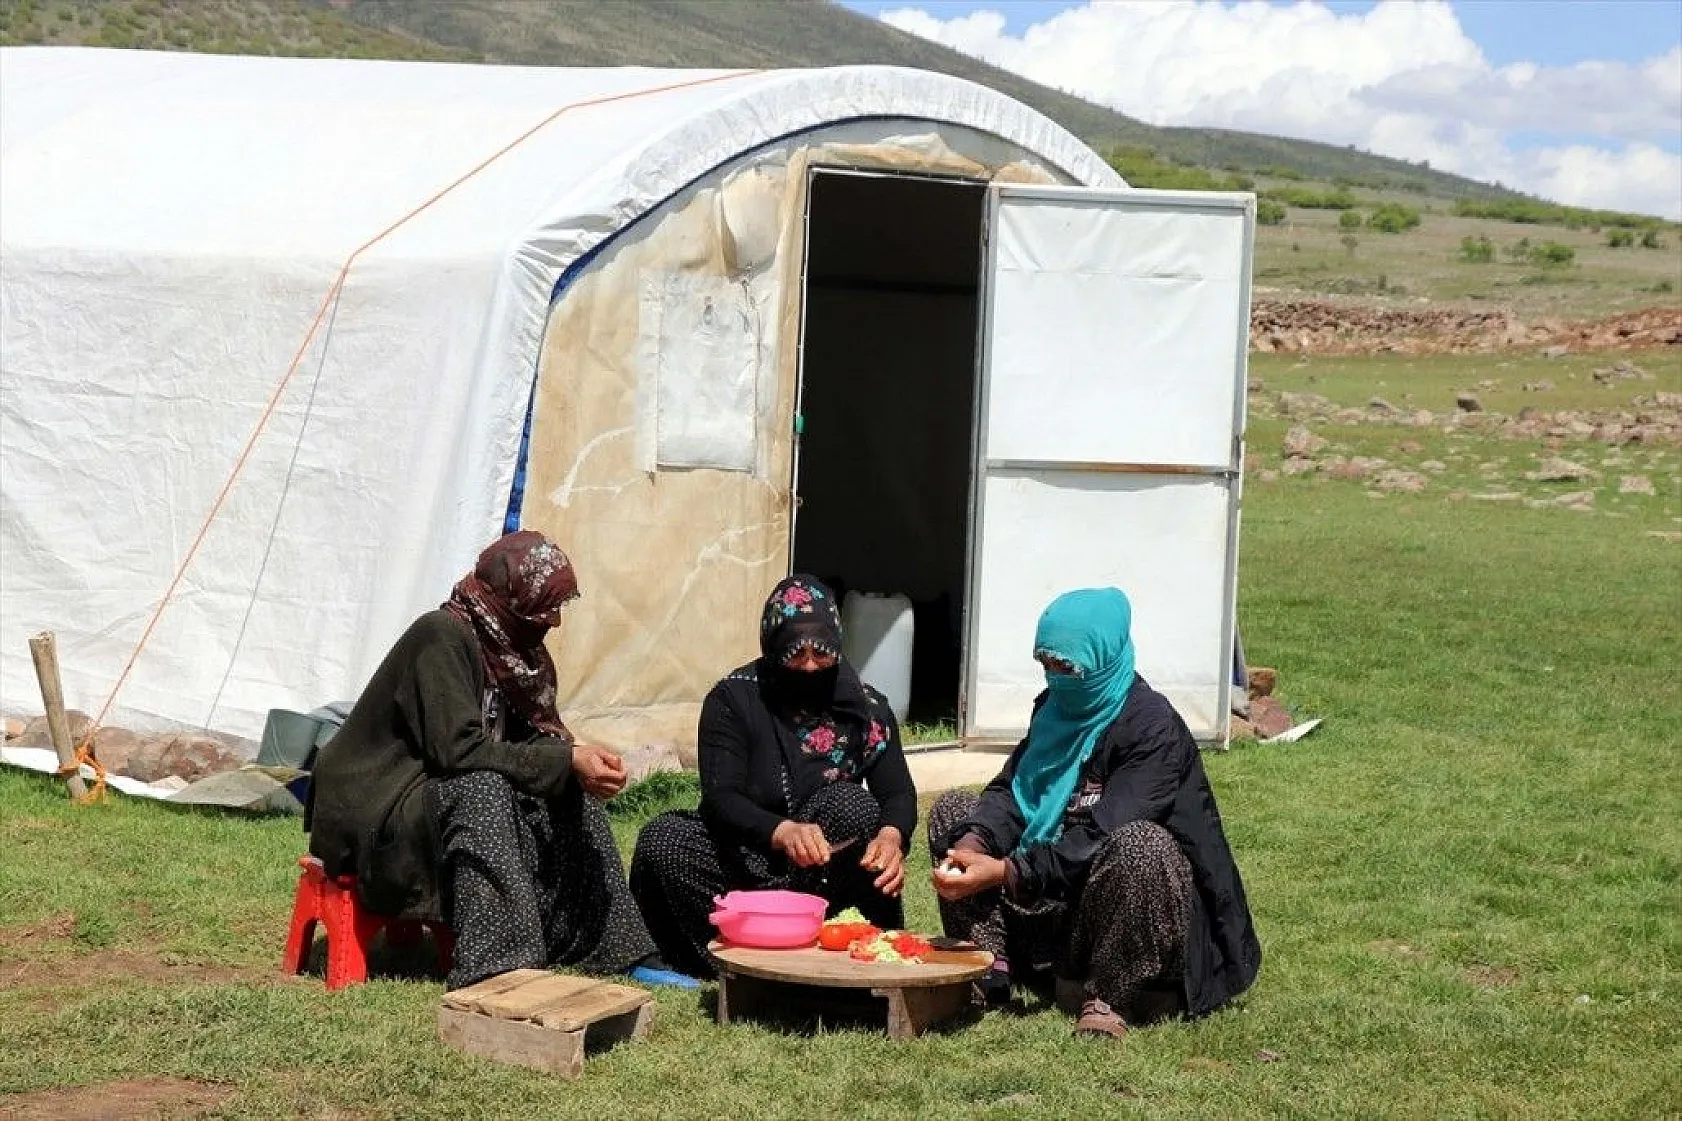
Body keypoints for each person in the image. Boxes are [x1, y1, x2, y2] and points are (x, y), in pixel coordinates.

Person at [306, 530, 694, 990]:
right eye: (544, 607)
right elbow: (457, 751)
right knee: (482, 789)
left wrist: (576, 760)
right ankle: (501, 966)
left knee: (567, 787)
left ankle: (614, 950)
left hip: (431, 799)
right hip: (378, 810)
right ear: (511, 599)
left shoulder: (514, 653)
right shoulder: (442, 636)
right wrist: (564, 759)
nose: (553, 622)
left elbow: (529, 739)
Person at [927, 587, 1260, 1038]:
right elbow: (1016, 791)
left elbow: (1102, 834)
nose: (1055, 677)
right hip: (1056, 898)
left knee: (1142, 845)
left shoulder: (1151, 729)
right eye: (1046, 664)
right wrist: (974, 843)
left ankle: (1111, 994)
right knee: (955, 812)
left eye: (1068, 667)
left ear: (1103, 658)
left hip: (1129, 916)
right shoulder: (1054, 709)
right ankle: (990, 972)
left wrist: (1006, 872)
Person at [630, 575, 917, 978]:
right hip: (744, 854)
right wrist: (781, 831)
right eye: (795, 654)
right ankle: (727, 960)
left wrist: (892, 836)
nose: (811, 666)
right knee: (664, 841)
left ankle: (836, 945)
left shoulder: (867, 709)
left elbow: (898, 792)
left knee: (854, 806)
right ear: (772, 647)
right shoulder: (734, 700)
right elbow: (721, 796)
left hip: (824, 868)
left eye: (823, 653)